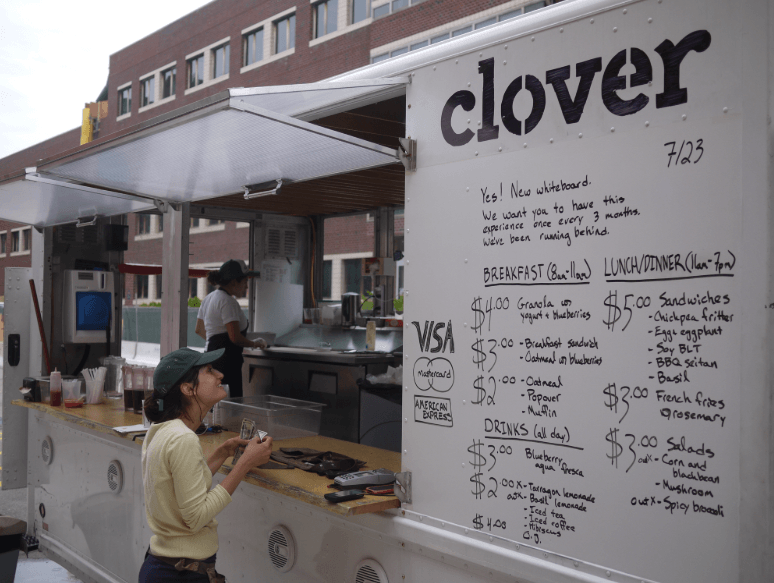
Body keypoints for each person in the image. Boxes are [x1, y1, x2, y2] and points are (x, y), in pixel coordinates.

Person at [139, 347, 273, 583]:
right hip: (180, 575)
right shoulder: (183, 439)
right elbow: (196, 516)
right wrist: (244, 464)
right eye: (209, 370)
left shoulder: (160, 430)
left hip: (162, 567)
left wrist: (221, 453)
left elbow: (180, 488)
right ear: (188, 389)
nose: (220, 375)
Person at [195, 259, 266, 399]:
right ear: (234, 282)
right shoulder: (228, 302)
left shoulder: (209, 298)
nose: (246, 287)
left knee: (214, 405)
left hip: (210, 358)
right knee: (231, 409)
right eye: (245, 282)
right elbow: (235, 338)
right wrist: (256, 344)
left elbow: (199, 329)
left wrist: (215, 343)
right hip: (227, 364)